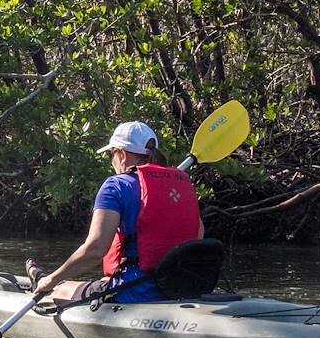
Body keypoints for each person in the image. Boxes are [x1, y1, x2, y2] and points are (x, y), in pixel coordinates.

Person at [26, 120, 202, 304]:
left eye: (111, 155)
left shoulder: (116, 186)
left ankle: (41, 280)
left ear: (122, 154)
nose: (112, 162)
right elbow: (198, 235)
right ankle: (42, 278)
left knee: (61, 289)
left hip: (136, 292)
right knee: (102, 281)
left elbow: (95, 250)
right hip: (180, 287)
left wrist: (52, 280)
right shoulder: (182, 186)